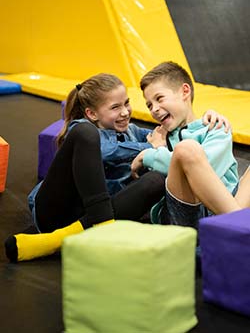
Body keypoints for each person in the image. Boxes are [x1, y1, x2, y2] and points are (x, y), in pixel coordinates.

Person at [5, 72, 231, 262]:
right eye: (115, 107)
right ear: (92, 113)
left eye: (127, 103)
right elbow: (108, 150)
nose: (125, 112)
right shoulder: (81, 129)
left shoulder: (131, 131)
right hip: (55, 212)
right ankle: (100, 225)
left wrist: (205, 119)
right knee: (88, 136)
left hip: (89, 221)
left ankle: (69, 238)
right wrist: (146, 149)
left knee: (156, 180)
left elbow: (171, 139)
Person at [131, 61, 250, 229]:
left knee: (187, 149)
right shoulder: (157, 138)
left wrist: (152, 155)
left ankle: (234, 224)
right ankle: (239, 225)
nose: (154, 109)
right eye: (149, 105)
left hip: (227, 202)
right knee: (186, 149)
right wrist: (156, 150)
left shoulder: (213, 127)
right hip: (186, 212)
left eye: (159, 98)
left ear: (185, 91)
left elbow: (208, 169)